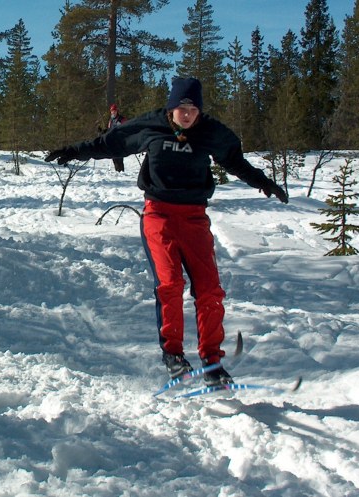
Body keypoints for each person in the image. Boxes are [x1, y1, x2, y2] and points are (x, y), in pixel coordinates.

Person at [46, 77, 288, 386]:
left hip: (194, 219)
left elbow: (235, 161)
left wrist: (264, 183)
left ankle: (212, 362)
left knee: (210, 291)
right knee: (170, 283)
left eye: (193, 109)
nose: (187, 114)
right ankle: (173, 355)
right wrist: (73, 151)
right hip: (158, 216)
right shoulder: (152, 125)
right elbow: (110, 143)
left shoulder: (210, 131)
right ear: (172, 107)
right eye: (181, 108)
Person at [107, 103, 127, 172]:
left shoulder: (122, 119)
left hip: (120, 141)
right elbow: (109, 130)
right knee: (114, 158)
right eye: (112, 111)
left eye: (114, 111)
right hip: (113, 141)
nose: (113, 112)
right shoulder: (110, 120)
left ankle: (121, 172)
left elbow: (126, 128)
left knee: (119, 158)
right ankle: (117, 172)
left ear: (117, 111)